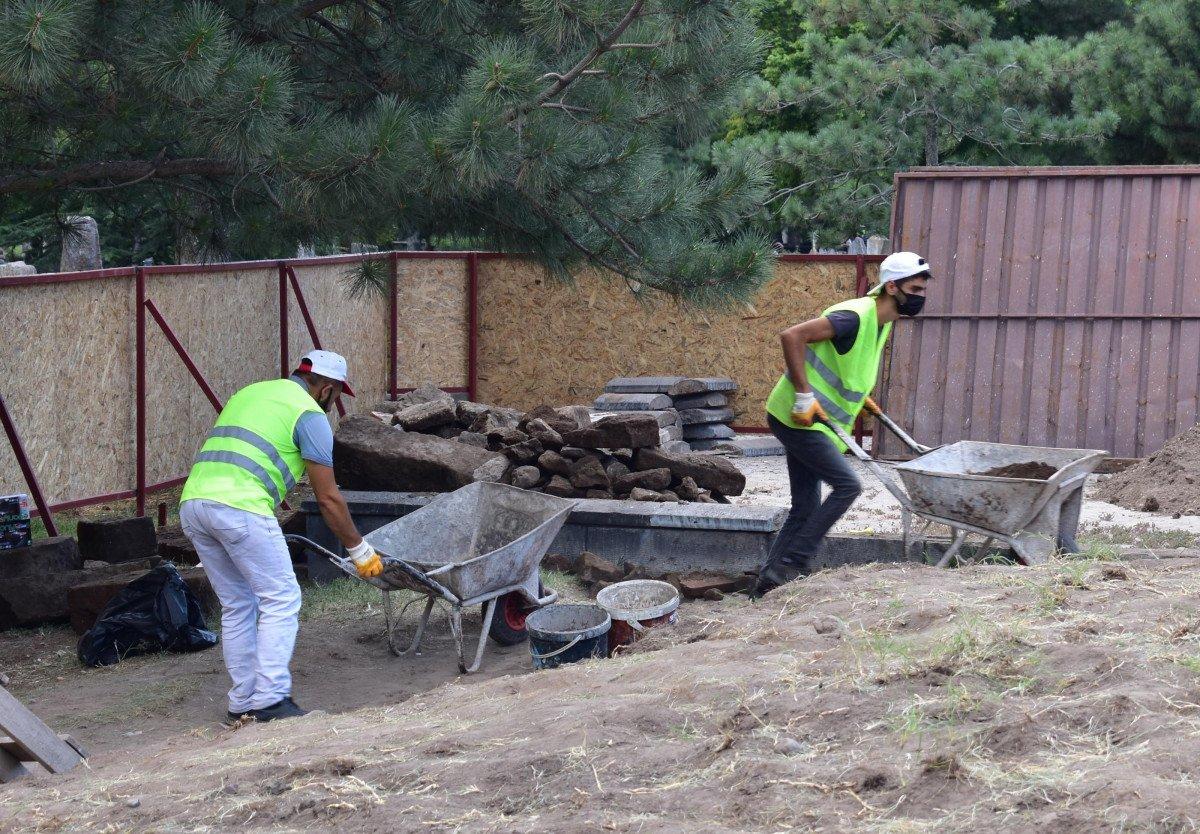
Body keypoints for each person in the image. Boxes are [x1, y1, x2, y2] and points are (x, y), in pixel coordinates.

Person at [179, 349, 383, 723]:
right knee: (282, 597)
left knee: (238, 604)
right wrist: (360, 550)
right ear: (326, 389)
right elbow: (328, 498)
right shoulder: (309, 415)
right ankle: (271, 700)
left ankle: (242, 703)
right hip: (240, 507)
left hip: (194, 505)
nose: (333, 404)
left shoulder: (251, 392)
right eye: (337, 394)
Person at [754, 252, 932, 597]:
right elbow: (792, 336)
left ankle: (766, 584)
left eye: (922, 290)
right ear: (891, 287)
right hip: (798, 416)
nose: (920, 297)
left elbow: (844, 364)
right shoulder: (854, 316)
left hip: (813, 420)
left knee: (805, 506)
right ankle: (793, 563)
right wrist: (804, 395)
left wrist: (860, 397)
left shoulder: (882, 321)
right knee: (848, 486)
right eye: (914, 289)